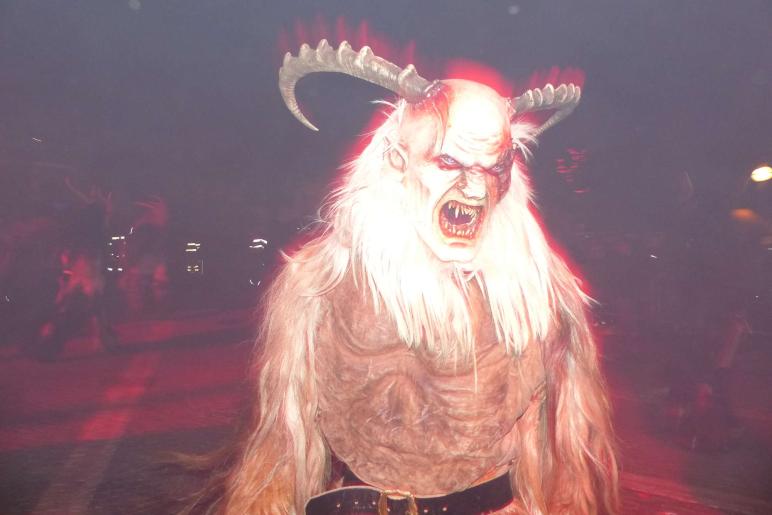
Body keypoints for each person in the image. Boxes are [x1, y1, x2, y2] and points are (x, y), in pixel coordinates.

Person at [191, 41, 618, 515]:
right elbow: (282, 444)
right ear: (397, 163)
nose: (476, 189)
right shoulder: (317, 285)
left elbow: (565, 453)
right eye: (449, 163)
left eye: (494, 168)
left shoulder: (537, 293)